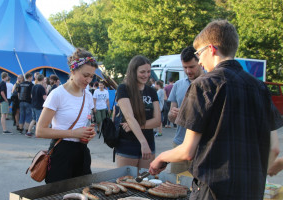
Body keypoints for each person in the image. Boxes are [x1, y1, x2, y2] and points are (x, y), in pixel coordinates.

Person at [149, 20, 283, 199]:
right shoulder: (260, 88)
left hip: (213, 189)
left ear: (211, 49)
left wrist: (160, 157)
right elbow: (274, 148)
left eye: (199, 53)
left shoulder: (203, 85)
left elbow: (187, 151)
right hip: (252, 189)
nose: (200, 61)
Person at [36, 48, 97, 184]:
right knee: (58, 194)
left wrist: (88, 133)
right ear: (73, 71)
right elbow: (40, 131)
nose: (89, 80)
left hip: (82, 152)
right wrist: (74, 133)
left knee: (83, 192)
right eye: (85, 75)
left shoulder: (87, 95)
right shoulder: (57, 94)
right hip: (61, 153)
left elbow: (84, 124)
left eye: (92, 76)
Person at [115, 55, 161, 169]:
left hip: (149, 143)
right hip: (127, 144)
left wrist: (135, 126)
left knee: (146, 181)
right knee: (125, 181)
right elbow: (129, 117)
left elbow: (157, 121)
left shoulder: (152, 91)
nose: (146, 75)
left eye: (149, 71)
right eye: (142, 72)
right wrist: (143, 143)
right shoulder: (123, 88)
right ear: (133, 71)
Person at [167, 46, 203, 174]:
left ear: (200, 62)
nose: (188, 71)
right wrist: (172, 114)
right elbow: (171, 117)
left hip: (202, 147)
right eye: (185, 67)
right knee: (175, 185)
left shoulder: (210, 84)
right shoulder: (178, 85)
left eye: (192, 67)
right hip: (179, 144)